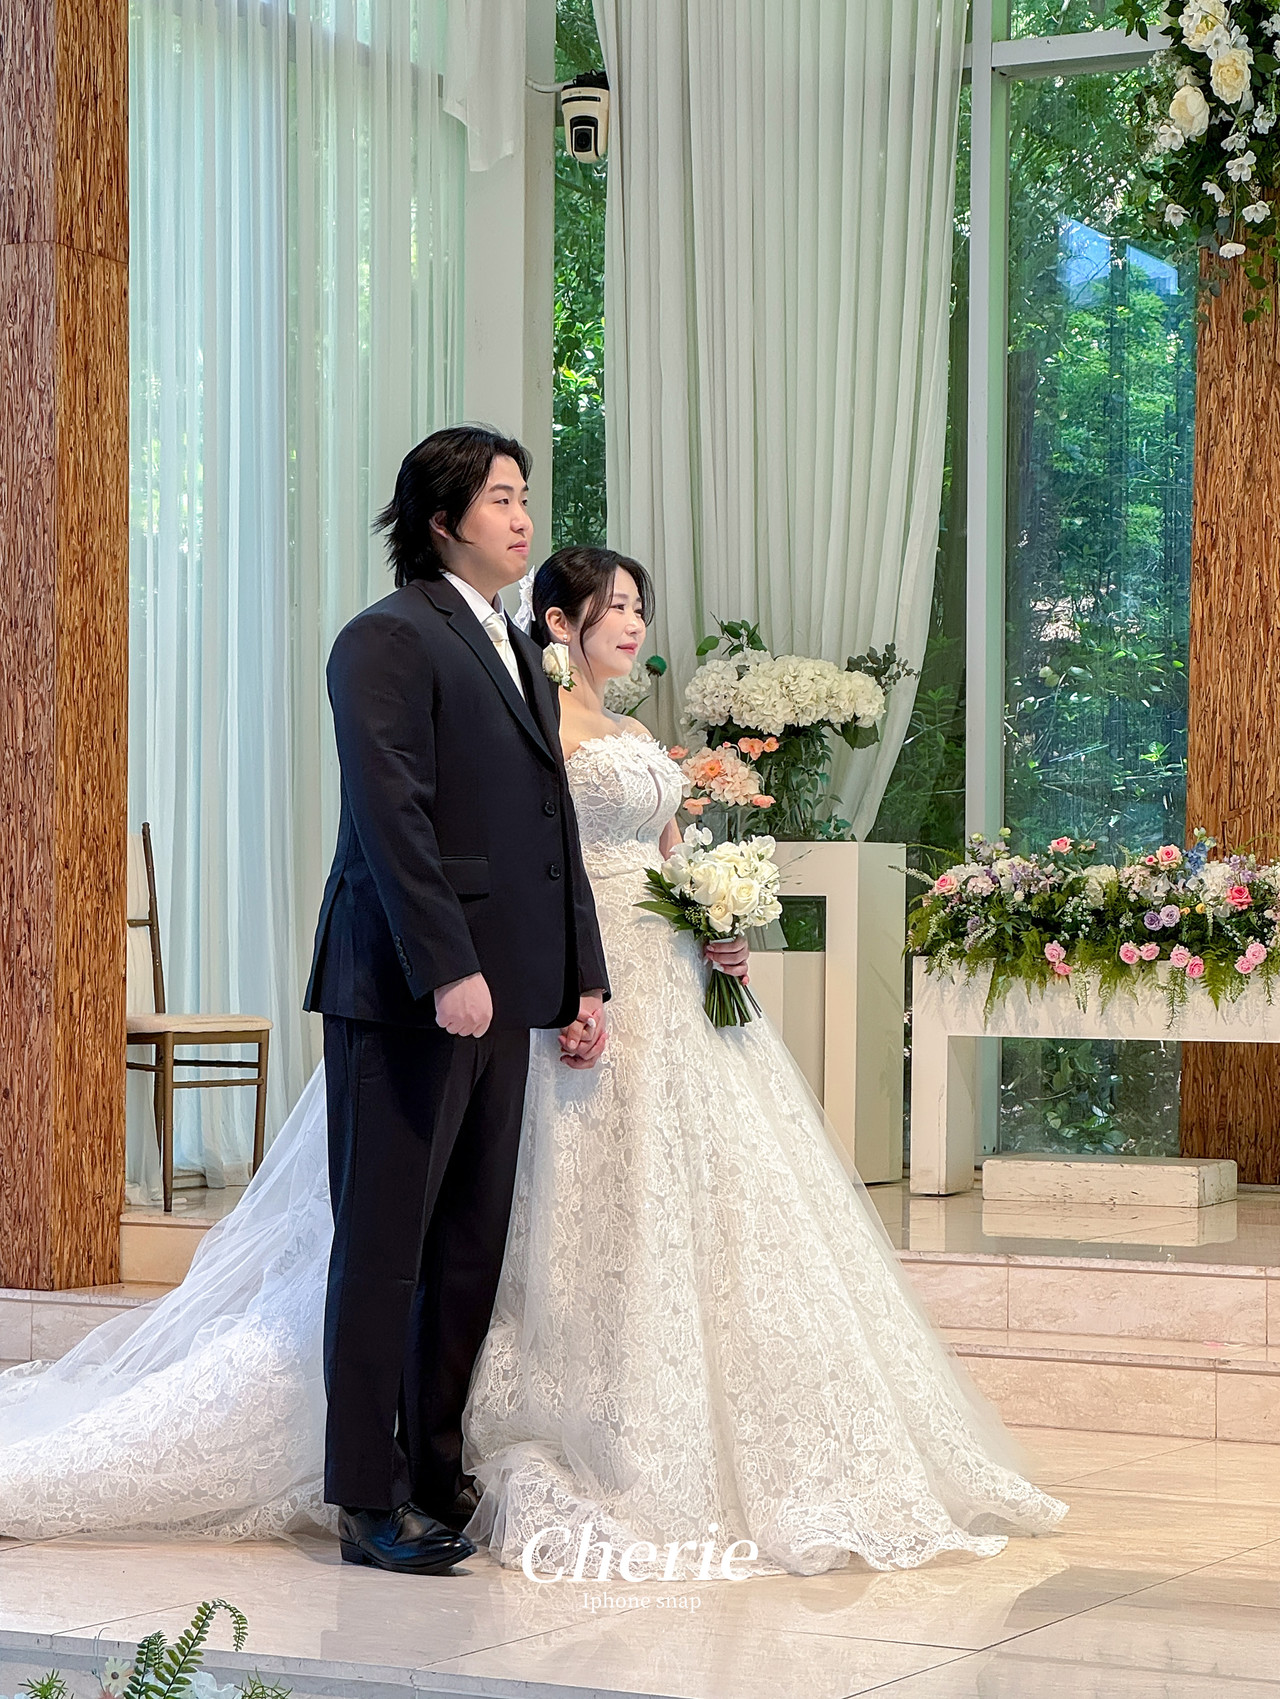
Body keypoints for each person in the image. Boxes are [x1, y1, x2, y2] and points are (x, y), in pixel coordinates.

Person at [0, 546, 1065, 1574]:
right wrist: (558, 981)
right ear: (561, 622)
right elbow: (502, 843)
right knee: (493, 1216)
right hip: (529, 975)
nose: (633, 623)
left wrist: (715, 917)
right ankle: (407, 1458)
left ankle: (502, 1441)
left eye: (640, 607)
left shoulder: (631, 728)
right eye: (615, 606)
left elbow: (659, 853)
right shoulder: (516, 702)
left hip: (645, 968)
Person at [301, 427, 610, 1575]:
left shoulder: (519, 647)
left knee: (468, 1248)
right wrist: (445, 966)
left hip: (509, 986)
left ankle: (434, 1470)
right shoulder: (384, 638)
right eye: (499, 499)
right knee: (385, 1247)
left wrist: (581, 972)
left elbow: (548, 826)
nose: (522, 519)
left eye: (524, 497)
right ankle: (365, 1497)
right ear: (441, 521)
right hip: (405, 988)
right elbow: (391, 817)